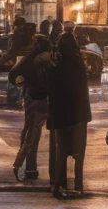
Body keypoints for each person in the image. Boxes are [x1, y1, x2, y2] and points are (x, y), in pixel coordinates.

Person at [47, 32, 92, 198]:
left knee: (61, 152)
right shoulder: (79, 64)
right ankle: (79, 185)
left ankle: (58, 185)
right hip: (79, 115)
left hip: (62, 115)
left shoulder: (58, 67)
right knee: (79, 153)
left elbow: (51, 89)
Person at [10, 36, 53, 182]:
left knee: (29, 135)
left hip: (33, 100)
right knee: (40, 136)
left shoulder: (30, 59)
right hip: (47, 101)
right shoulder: (51, 61)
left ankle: (24, 167)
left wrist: (22, 84)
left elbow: (13, 75)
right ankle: (28, 168)